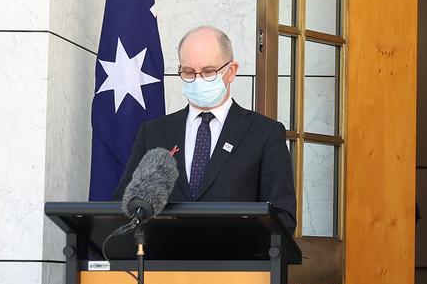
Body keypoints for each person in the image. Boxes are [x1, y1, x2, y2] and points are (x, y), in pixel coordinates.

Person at [115, 25, 296, 229]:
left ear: (231, 71)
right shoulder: (154, 133)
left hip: (236, 257)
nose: (198, 79)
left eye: (208, 71)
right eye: (189, 72)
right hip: (165, 256)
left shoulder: (264, 133)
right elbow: (122, 206)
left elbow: (283, 217)